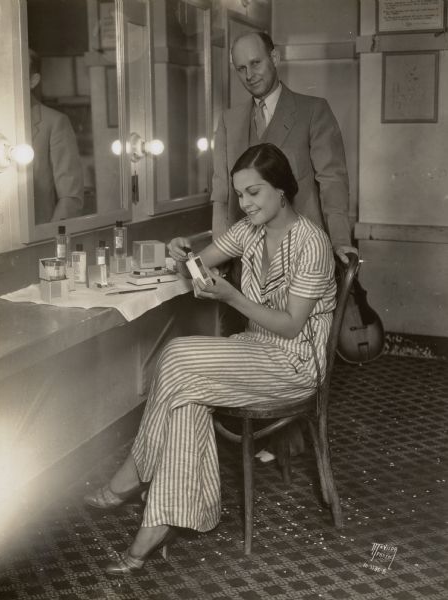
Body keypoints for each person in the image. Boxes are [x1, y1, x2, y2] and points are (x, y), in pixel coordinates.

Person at [84, 143, 337, 575]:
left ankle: (135, 474)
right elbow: (203, 260)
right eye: (240, 195)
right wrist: (184, 252)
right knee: (186, 392)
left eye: (254, 192)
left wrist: (233, 296)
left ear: (282, 190)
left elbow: (293, 326)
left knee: (179, 357)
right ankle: (161, 521)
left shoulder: (312, 243)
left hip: (294, 364)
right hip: (255, 350)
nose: (246, 203)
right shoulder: (251, 230)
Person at [211, 31, 357, 263]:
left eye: (255, 63)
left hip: (302, 256)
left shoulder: (313, 112)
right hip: (246, 260)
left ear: (275, 58)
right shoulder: (229, 121)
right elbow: (221, 196)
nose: (249, 75)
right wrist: (219, 257)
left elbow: (333, 182)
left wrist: (340, 242)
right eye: (241, 68)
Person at [29, 49, 84, 224]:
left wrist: (50, 239)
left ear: (33, 80)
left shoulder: (54, 122)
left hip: (36, 237)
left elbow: (70, 197)